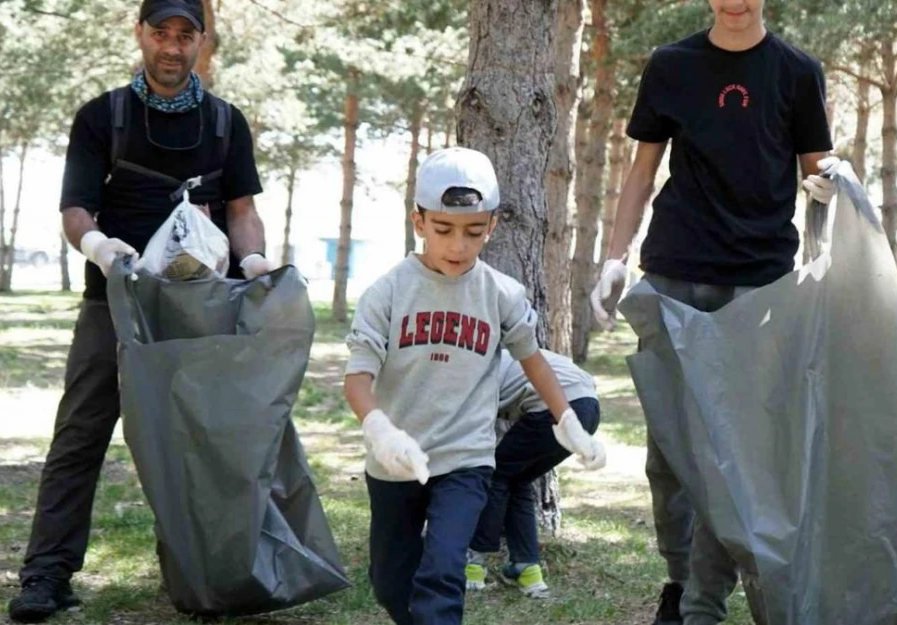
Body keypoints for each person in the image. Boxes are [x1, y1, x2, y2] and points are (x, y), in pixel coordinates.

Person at [8, 1, 273, 621]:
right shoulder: (103, 117)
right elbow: (76, 208)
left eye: (186, 35)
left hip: (201, 308)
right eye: (161, 33)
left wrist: (255, 260)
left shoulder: (225, 123)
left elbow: (240, 210)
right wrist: (98, 247)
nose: (172, 47)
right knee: (79, 435)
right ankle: (46, 574)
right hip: (115, 299)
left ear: (201, 43)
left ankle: (206, 575)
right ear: (141, 35)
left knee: (200, 444)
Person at [589, 1, 837, 624]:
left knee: (732, 456)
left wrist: (826, 193)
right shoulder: (672, 65)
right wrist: (614, 258)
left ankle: (702, 604)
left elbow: (816, 172)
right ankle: (681, 581)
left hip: (758, 285)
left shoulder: (797, 73)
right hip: (675, 271)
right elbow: (642, 169)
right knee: (669, 457)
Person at [343, 147, 606, 625]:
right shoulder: (386, 293)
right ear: (419, 221)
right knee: (390, 582)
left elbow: (533, 360)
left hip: (466, 460)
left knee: (444, 570)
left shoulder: (502, 293)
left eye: (474, 231)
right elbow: (357, 376)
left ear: (493, 226)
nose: (458, 246)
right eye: (443, 229)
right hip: (395, 460)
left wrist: (567, 419)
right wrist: (380, 431)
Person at [464, 348, 600, 599]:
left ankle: (473, 565)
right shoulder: (504, 361)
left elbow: (481, 429)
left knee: (496, 475)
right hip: (589, 408)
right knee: (519, 480)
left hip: (557, 409)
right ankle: (528, 569)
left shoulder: (475, 370)